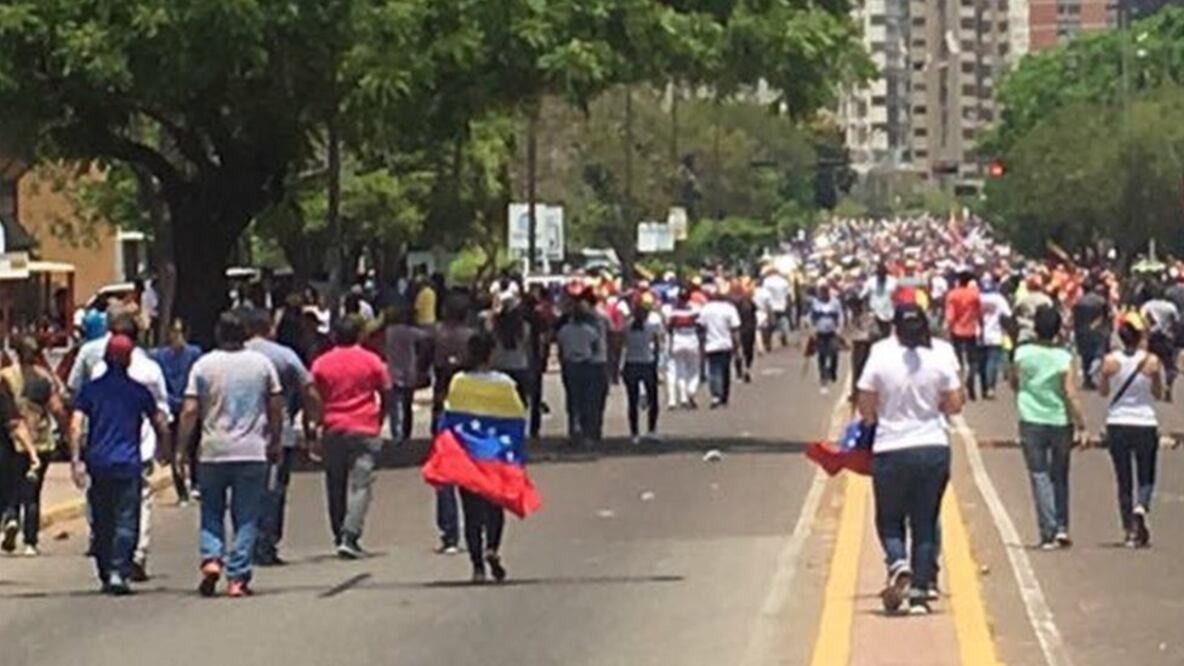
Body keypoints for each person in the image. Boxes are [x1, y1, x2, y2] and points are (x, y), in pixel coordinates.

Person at [857, 305, 963, 615]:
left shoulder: (879, 353)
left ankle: (897, 560)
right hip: (932, 445)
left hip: (891, 447)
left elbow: (865, 399)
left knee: (889, 519)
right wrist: (931, 406)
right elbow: (955, 403)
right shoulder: (940, 354)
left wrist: (873, 418)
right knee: (925, 521)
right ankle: (919, 592)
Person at [178, 312, 283, 598]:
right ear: (246, 334)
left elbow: (189, 410)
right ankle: (237, 577)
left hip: (213, 450)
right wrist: (274, 439)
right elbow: (275, 405)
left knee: (211, 510)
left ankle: (211, 559)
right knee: (247, 515)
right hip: (252, 450)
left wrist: (181, 449)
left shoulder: (203, 365)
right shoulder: (262, 365)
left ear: (218, 334)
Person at [69, 335, 170, 595]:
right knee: (126, 519)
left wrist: (75, 459)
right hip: (127, 463)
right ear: (128, 360)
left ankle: (106, 571)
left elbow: (75, 426)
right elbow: (159, 421)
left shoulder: (91, 390)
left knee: (102, 520)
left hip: (99, 463)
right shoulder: (137, 391)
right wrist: (164, 450)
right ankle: (118, 571)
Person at [440, 332, 526, 583]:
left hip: (467, 456)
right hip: (495, 455)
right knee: (494, 508)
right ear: (491, 354)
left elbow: (451, 417)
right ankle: (493, 548)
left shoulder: (458, 381)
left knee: (471, 513)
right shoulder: (505, 383)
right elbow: (516, 418)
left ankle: (477, 567)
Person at [244, 308, 321, 566]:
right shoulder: (284, 355)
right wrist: (313, 422)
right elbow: (308, 388)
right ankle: (266, 543)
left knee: (246, 491)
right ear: (270, 329)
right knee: (273, 490)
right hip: (278, 434)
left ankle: (247, 541)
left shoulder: (234, 354)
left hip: (240, 435)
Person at [310, 315, 392, 559]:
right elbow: (387, 391)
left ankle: (339, 534)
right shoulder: (372, 361)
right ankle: (350, 535)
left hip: (333, 428)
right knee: (360, 485)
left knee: (334, 484)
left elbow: (312, 395)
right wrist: (381, 417)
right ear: (359, 336)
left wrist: (314, 424)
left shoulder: (321, 363)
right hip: (364, 427)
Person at [1010, 306, 1086, 550]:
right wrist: (1081, 423)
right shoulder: (1063, 357)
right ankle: (1062, 526)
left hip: (1031, 418)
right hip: (1059, 419)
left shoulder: (1022, 353)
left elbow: (1013, 380)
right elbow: (1070, 392)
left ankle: (1048, 529)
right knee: (1060, 475)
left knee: (1039, 474)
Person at [1098, 318, 1163, 548]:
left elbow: (1103, 391)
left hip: (1118, 421)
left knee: (1123, 478)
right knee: (1146, 474)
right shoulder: (1151, 361)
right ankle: (1141, 506)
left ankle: (1128, 530)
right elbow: (1158, 393)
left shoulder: (1109, 361)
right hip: (1145, 421)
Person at [429, 292, 476, 553]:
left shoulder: (436, 335)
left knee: (445, 474)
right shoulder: (472, 337)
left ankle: (449, 533)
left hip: (443, 404)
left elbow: (425, 363)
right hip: (469, 406)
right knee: (473, 471)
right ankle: (474, 527)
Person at [0, 340, 53, 556]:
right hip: (40, 439)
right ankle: (30, 541)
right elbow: (57, 406)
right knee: (33, 493)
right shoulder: (43, 378)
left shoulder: (5, 376)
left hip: (13, 443)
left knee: (11, 486)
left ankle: (11, 518)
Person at [151, 318, 202, 504]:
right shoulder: (159, 356)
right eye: (173, 331)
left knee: (193, 446)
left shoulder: (194, 353)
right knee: (174, 451)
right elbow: (160, 383)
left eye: (179, 331)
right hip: (172, 406)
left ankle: (196, 484)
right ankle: (181, 490)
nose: (176, 336)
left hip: (191, 405)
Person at [556, 289, 609, 443]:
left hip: (572, 365)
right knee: (591, 400)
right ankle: (591, 432)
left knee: (574, 400)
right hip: (591, 364)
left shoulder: (566, 328)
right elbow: (597, 346)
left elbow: (560, 347)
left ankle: (576, 430)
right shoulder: (595, 324)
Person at [383, 302, 430, 442]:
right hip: (409, 372)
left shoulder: (389, 331)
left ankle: (396, 434)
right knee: (407, 405)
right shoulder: (409, 332)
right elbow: (427, 337)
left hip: (392, 372)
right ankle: (405, 433)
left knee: (395, 406)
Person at [621, 293, 664, 443]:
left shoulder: (627, 327)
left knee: (632, 401)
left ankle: (634, 433)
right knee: (653, 399)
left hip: (631, 363)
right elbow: (658, 346)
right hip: (647, 362)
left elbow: (622, 344)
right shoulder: (651, 328)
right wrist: (658, 364)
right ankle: (651, 430)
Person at [699, 285, 741, 409]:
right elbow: (735, 329)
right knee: (725, 370)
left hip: (711, 344)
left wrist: (701, 343)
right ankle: (723, 396)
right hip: (725, 344)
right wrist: (737, 345)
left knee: (714, 370)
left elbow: (701, 326)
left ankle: (716, 395)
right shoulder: (729, 309)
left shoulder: (706, 308)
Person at [945, 271, 983, 400]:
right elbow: (979, 312)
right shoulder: (974, 294)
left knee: (958, 360)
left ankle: (959, 387)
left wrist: (947, 328)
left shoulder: (953, 295)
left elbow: (950, 315)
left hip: (957, 330)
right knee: (973, 360)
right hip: (971, 330)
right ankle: (970, 380)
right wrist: (980, 326)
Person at [1140, 286, 1179, 400]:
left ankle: (1150, 386)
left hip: (1152, 338)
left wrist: (1147, 329)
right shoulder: (1170, 307)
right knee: (1169, 366)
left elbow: (1142, 317)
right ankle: (1168, 387)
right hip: (1166, 338)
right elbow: (1175, 321)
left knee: (1150, 362)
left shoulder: (1148, 305)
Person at [1072, 281, 1111, 390]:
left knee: (1086, 356)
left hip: (1082, 331)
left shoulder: (1078, 302)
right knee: (1099, 354)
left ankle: (1087, 379)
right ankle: (1097, 376)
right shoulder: (1100, 301)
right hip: (1097, 331)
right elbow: (1107, 315)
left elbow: (1075, 318)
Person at [666, 290, 702, 410]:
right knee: (694, 369)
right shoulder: (695, 310)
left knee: (679, 370)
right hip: (691, 339)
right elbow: (701, 325)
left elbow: (669, 328)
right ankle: (690, 390)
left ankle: (682, 398)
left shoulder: (673, 312)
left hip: (677, 339)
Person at [978, 277, 1012, 399]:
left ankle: (983, 387)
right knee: (992, 361)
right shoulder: (998, 299)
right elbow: (1008, 314)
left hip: (979, 333)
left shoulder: (977, 297)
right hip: (995, 333)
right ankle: (990, 388)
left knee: (982, 362)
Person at [809, 281, 844, 393]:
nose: (823, 293)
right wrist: (812, 329)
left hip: (832, 332)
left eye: (825, 290)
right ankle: (823, 376)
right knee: (822, 355)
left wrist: (839, 329)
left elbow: (840, 316)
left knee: (834, 353)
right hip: (820, 333)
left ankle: (833, 370)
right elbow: (811, 317)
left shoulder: (835, 303)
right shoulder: (815, 303)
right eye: (821, 291)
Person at [733, 283, 758, 383]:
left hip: (739, 329)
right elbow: (755, 313)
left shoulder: (734, 303)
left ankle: (739, 372)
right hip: (749, 329)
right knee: (748, 351)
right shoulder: (750, 302)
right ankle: (747, 368)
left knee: (738, 351)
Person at [761, 269, 792, 348]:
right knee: (783, 321)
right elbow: (788, 294)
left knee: (770, 324)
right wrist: (788, 304)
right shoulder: (784, 281)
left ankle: (768, 343)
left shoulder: (766, 281)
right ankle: (784, 338)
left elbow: (764, 295)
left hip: (771, 305)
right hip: (782, 305)